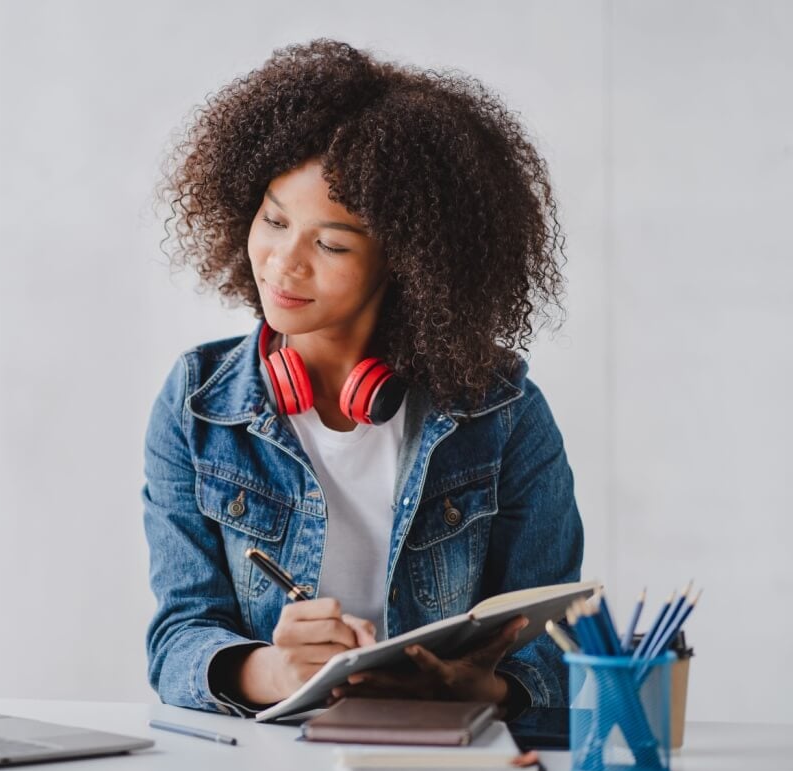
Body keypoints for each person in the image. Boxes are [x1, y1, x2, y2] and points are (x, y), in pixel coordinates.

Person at [142, 39, 582, 719]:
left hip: (446, 757)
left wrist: (482, 690)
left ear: (407, 263)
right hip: (267, 762)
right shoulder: (197, 405)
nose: (284, 264)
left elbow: (556, 648)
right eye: (275, 220)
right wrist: (272, 671)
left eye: (331, 244)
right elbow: (179, 639)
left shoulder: (504, 413)